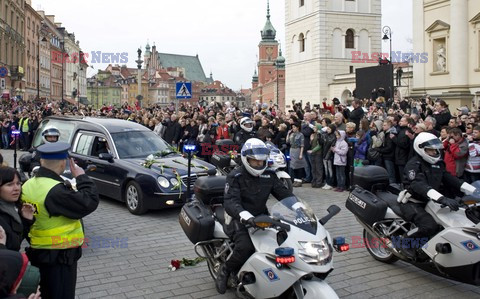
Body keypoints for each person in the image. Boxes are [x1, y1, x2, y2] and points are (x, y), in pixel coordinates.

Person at [22, 142, 99, 299]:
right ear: (64, 162)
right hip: (59, 255)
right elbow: (89, 202)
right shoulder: (56, 190)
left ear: (42, 161)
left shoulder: (28, 184)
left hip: (40, 251)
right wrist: (82, 177)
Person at [215, 138, 293, 294]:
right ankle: (225, 270)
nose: (259, 165)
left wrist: (300, 208)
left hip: (262, 217)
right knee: (245, 247)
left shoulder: (269, 175)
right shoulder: (235, 176)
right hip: (237, 217)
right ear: (245, 158)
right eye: (255, 161)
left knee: (282, 240)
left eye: (261, 162)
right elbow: (231, 201)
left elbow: (286, 195)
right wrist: (245, 216)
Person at [399, 132, 476, 258]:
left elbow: (449, 178)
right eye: (431, 151)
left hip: (431, 201)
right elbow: (419, 185)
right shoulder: (414, 165)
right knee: (429, 226)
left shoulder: (438, 163)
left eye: (436, 151)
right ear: (421, 149)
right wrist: (442, 198)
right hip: (413, 202)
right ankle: (404, 241)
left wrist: (473, 190)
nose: (435, 153)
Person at [0, 167, 35, 251]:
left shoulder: (14, 208)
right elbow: (13, 244)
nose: (16, 188)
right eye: (9, 184)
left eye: (18, 183)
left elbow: (17, 240)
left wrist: (26, 220)